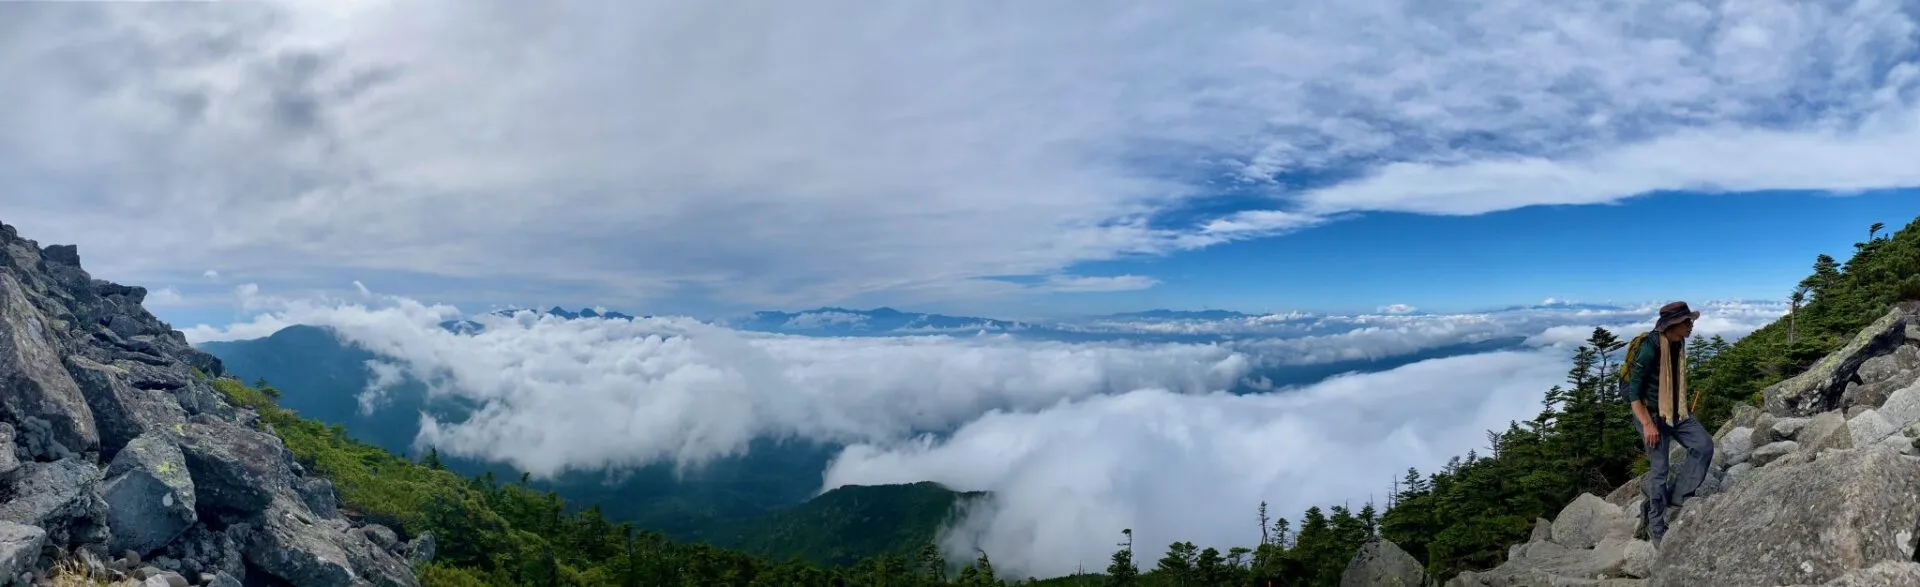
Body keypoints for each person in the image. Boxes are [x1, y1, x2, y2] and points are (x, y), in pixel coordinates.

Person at [1624, 301, 1714, 548]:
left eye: (1690, 321)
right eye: (1687, 322)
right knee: (1660, 469)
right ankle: (1655, 524)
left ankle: (1678, 498)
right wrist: (1647, 425)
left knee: (1703, 445)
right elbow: (1634, 394)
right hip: (1651, 414)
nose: (1691, 325)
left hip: (1675, 410)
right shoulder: (1650, 348)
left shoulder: (1677, 343)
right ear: (1672, 324)